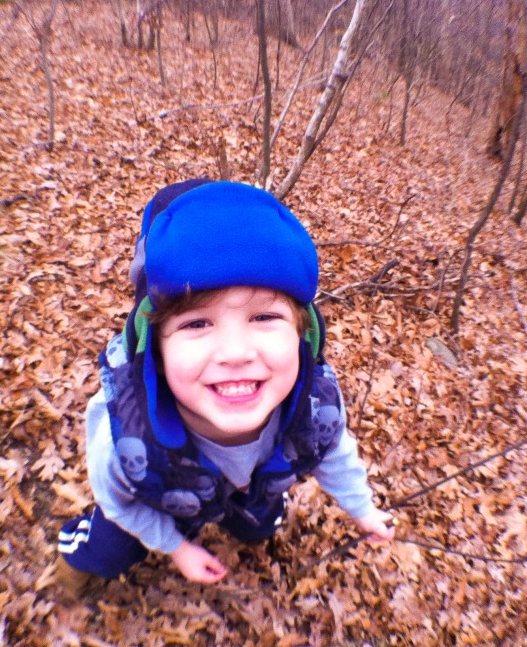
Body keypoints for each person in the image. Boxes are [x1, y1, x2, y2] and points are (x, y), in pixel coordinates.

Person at [55, 179, 395, 594]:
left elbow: (334, 452)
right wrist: (177, 547)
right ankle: (75, 571)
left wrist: (362, 510)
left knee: (259, 527)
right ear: (156, 352)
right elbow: (119, 501)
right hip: (155, 489)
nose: (235, 353)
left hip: (246, 486)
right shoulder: (124, 441)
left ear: (304, 336)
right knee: (108, 550)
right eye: (197, 323)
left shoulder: (315, 409)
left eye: (264, 318)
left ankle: (244, 517)